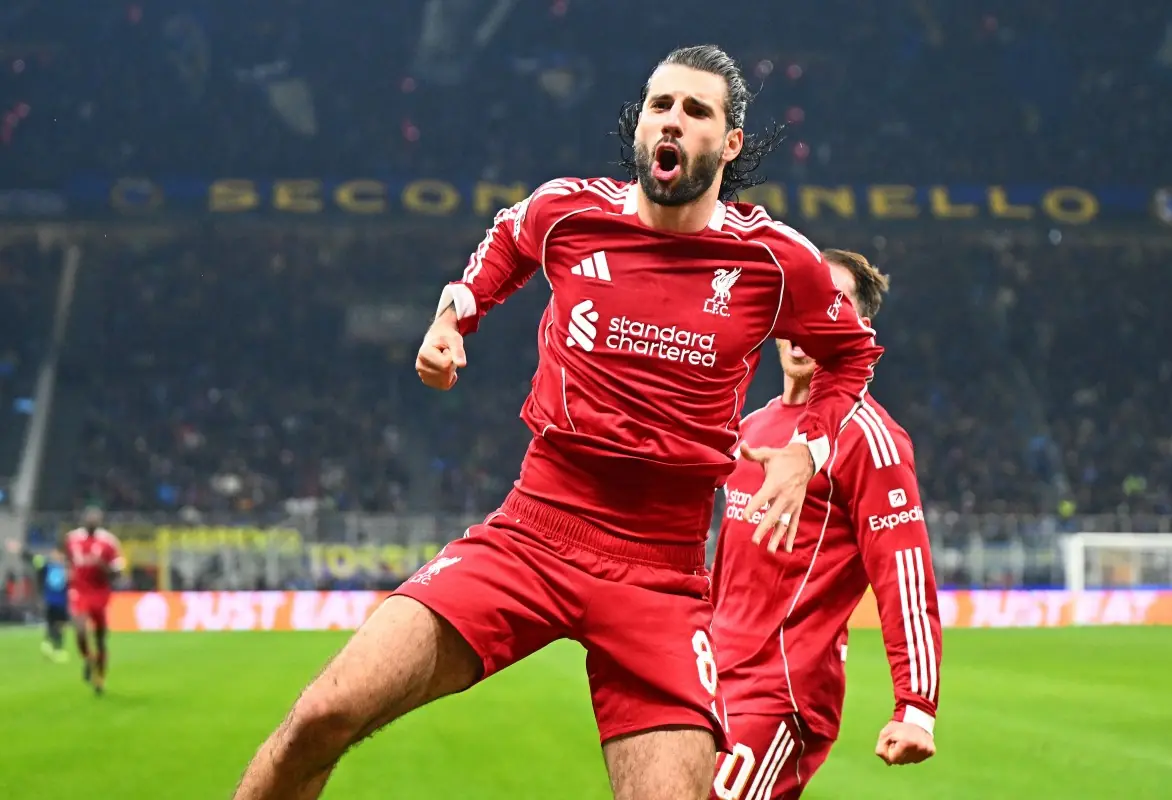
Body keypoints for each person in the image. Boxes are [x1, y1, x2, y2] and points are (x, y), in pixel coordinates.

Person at [233, 44, 882, 800]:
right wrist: (453, 319)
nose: (672, 120)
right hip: (533, 533)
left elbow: (851, 355)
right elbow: (506, 243)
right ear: (640, 123)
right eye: (660, 105)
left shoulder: (774, 261)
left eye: (695, 110)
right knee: (320, 716)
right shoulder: (568, 212)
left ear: (730, 142)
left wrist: (808, 448)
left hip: (661, 574)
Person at [709, 250, 941, 800]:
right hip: (711, 677)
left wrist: (916, 707)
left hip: (780, 692)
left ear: (859, 328)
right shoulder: (750, 427)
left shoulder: (869, 439)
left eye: (832, 305)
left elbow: (904, 572)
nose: (812, 320)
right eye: (801, 302)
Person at [63, 507, 125, 695]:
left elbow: (118, 572)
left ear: (100, 521)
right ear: (83, 520)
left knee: (100, 638)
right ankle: (88, 658)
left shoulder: (109, 542)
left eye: (95, 519)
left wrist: (104, 567)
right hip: (79, 590)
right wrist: (68, 574)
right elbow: (68, 559)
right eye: (89, 518)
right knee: (80, 630)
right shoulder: (72, 538)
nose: (92, 521)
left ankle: (100, 678)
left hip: (100, 592)